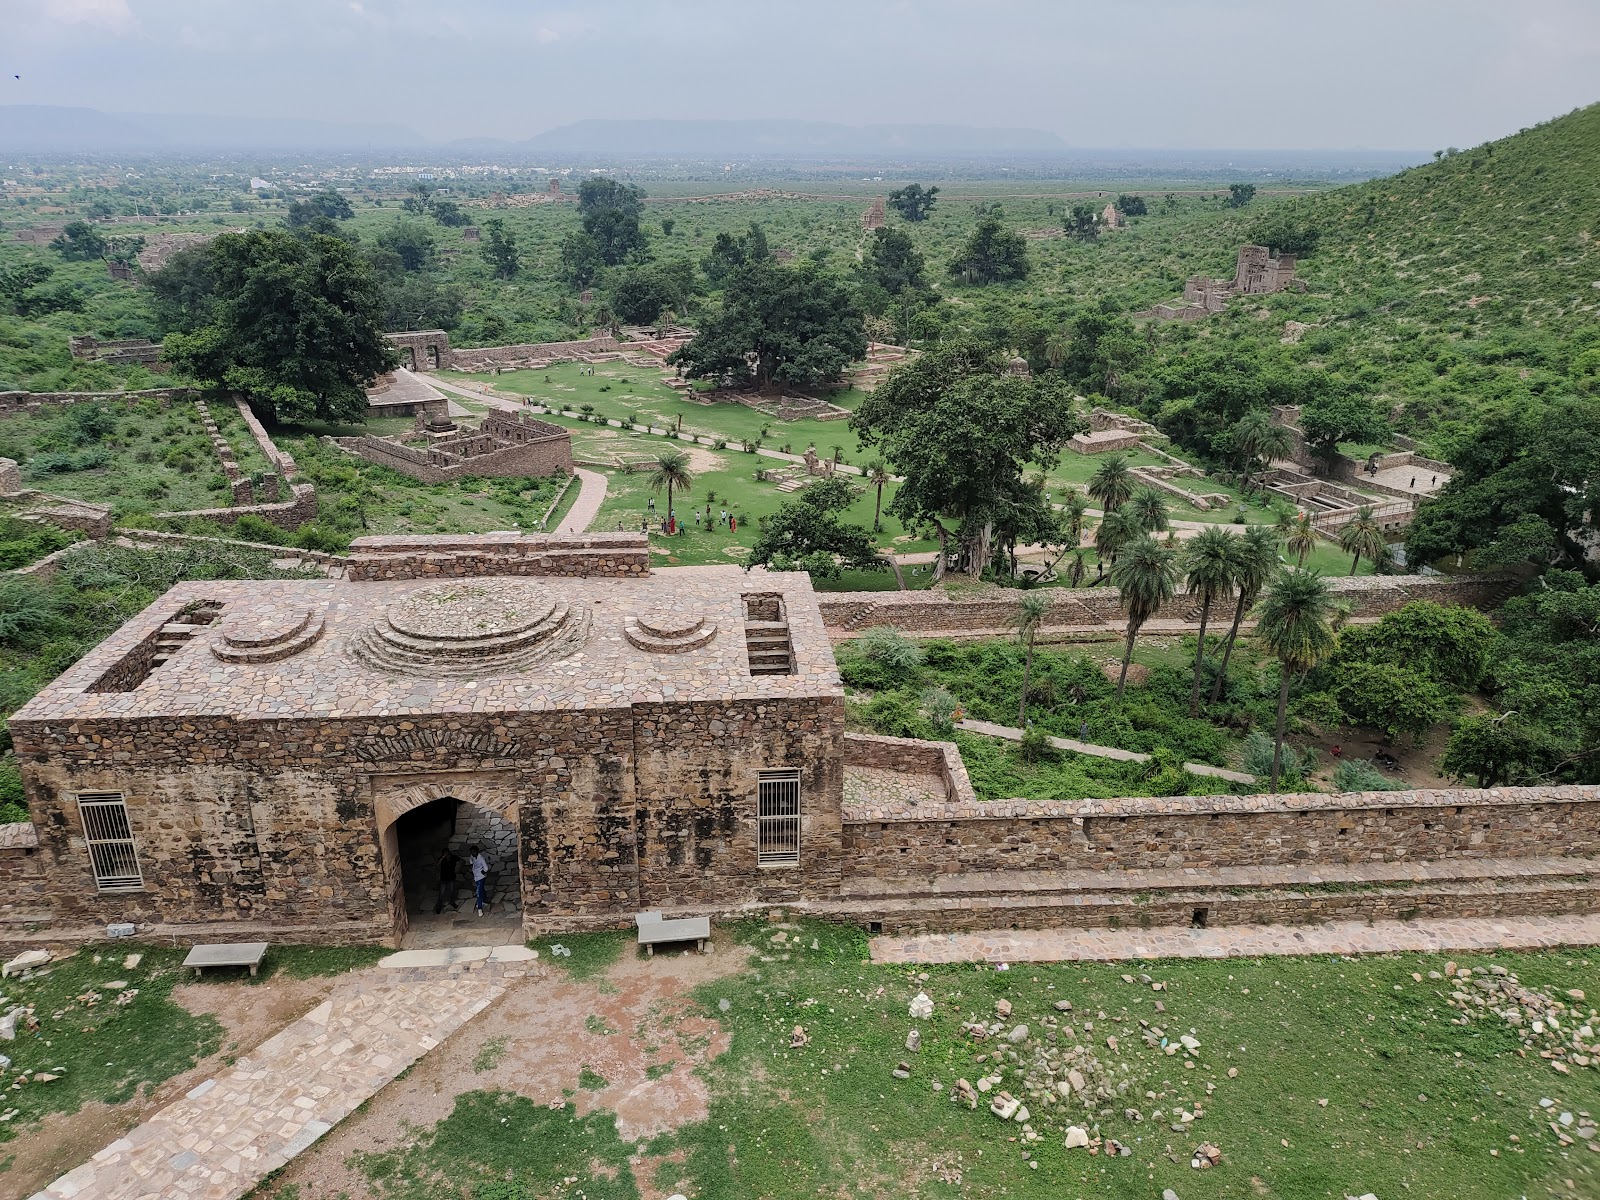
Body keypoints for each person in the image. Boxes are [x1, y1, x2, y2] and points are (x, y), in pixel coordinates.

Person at [433, 847, 459, 915]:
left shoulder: (453, 857)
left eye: (446, 853)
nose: (446, 854)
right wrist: (442, 858)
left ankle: (452, 902)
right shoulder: (442, 859)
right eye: (444, 854)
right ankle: (439, 906)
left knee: (452, 891)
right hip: (444, 878)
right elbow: (436, 865)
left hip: (451, 877)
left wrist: (457, 869)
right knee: (441, 893)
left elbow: (462, 861)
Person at [468, 845, 489, 916]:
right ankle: (485, 900)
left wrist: (482, 872)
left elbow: (486, 868)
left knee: (478, 892)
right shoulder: (472, 857)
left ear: (477, 851)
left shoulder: (481, 858)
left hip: (481, 877)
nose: (473, 853)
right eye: (472, 852)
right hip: (476, 876)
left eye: (474, 852)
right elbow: (470, 861)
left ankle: (480, 908)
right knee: (481, 889)